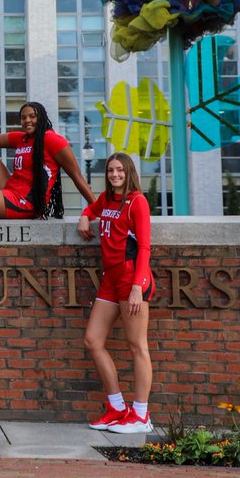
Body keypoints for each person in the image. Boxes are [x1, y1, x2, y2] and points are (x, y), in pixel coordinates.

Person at [76, 153, 154, 434]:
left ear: (129, 172)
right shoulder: (107, 199)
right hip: (110, 278)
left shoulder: (137, 202)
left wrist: (137, 287)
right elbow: (91, 209)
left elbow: (145, 246)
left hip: (132, 278)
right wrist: (85, 218)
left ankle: (141, 415)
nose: (115, 174)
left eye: (120, 170)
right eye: (110, 170)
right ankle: (117, 407)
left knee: (137, 346)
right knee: (92, 340)